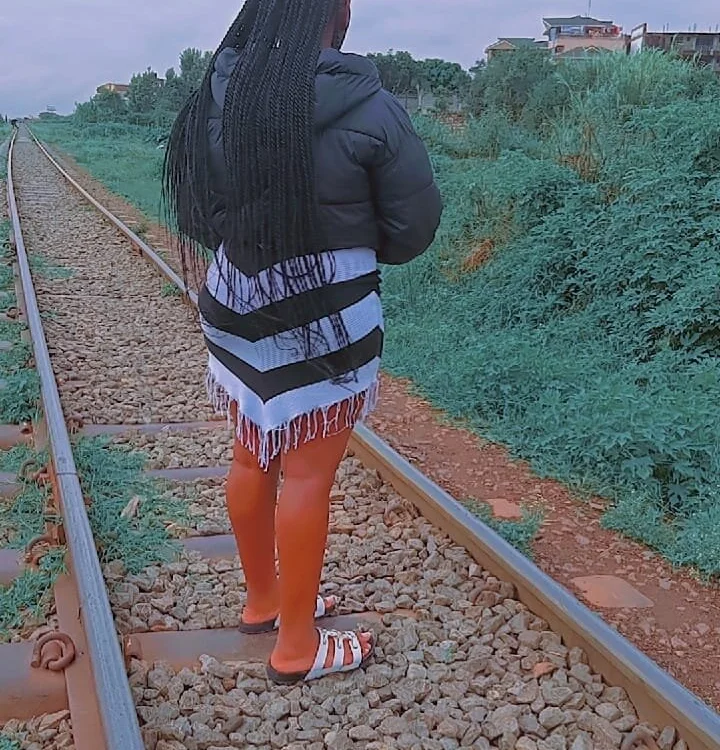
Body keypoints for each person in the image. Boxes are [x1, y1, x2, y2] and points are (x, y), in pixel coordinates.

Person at [163, 0, 442, 684]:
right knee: (308, 477)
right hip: (328, 315)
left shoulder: (219, 94)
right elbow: (413, 227)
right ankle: (296, 646)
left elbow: (199, 210)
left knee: (251, 455)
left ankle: (265, 600)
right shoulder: (371, 106)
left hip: (235, 300)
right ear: (335, 14)